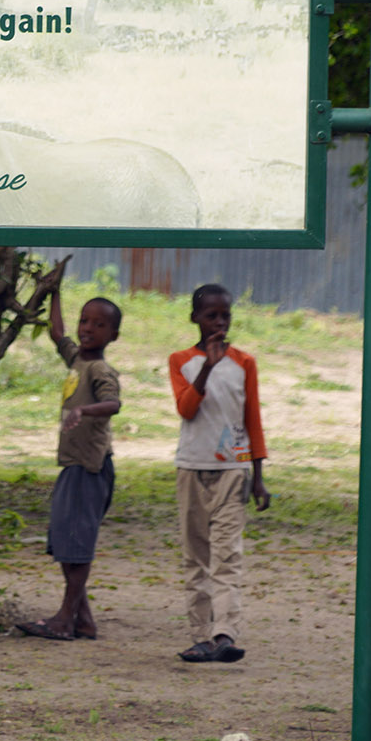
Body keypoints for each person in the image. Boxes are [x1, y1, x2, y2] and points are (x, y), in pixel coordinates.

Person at [169, 282, 271, 664]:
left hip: (233, 470)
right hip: (192, 468)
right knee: (195, 554)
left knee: (227, 555)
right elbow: (186, 408)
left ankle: (224, 632)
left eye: (225, 315)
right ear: (194, 317)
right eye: (210, 315)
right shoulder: (181, 360)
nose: (218, 323)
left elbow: (253, 419)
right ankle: (200, 635)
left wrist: (258, 475)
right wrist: (208, 367)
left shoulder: (244, 362)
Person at [17, 287, 123, 641]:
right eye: (84, 320)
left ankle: (65, 618)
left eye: (98, 324)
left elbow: (113, 404)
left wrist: (83, 409)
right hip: (72, 465)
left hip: (89, 467)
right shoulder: (77, 359)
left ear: (113, 335)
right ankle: (83, 619)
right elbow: (56, 332)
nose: (87, 328)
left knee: (76, 544)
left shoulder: (99, 369)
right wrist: (55, 290)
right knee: (65, 541)